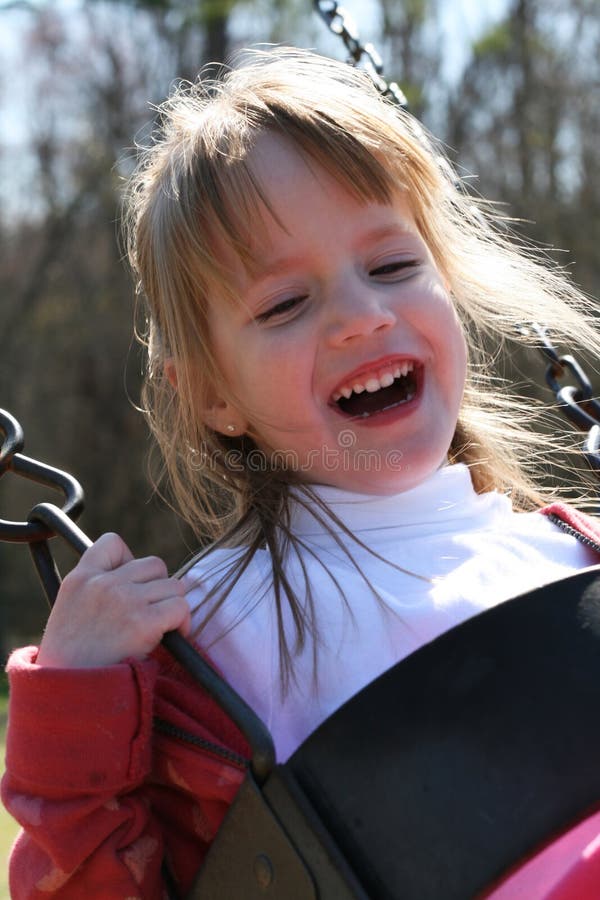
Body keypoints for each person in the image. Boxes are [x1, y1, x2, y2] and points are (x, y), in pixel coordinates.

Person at [3, 45, 600, 899]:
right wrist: (75, 710)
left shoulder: (572, 553)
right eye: (285, 305)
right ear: (212, 394)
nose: (361, 316)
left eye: (393, 266)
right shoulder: (213, 645)